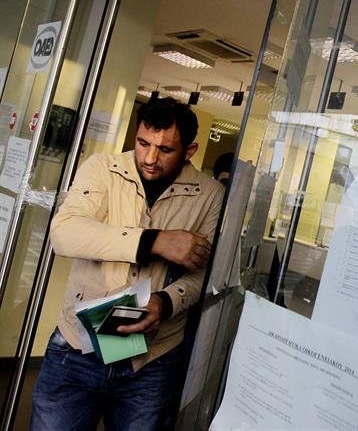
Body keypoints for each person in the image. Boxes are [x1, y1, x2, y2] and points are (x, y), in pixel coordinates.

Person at [31, 97, 224, 431]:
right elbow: (64, 234)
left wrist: (166, 302)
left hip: (152, 361)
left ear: (189, 151)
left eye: (165, 149)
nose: (150, 158)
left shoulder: (210, 194)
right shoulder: (101, 168)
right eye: (143, 143)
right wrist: (153, 241)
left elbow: (204, 274)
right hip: (77, 348)